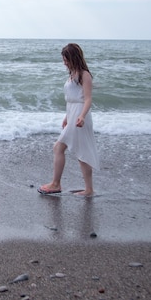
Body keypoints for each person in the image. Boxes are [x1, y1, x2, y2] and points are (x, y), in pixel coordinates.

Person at [39, 43, 100, 196]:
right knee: (69, 150)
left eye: (66, 59)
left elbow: (87, 99)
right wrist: (67, 116)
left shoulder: (84, 75)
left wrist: (81, 116)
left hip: (80, 116)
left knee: (68, 149)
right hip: (73, 114)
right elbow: (72, 99)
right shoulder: (72, 74)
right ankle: (83, 188)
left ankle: (59, 184)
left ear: (73, 58)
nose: (64, 62)